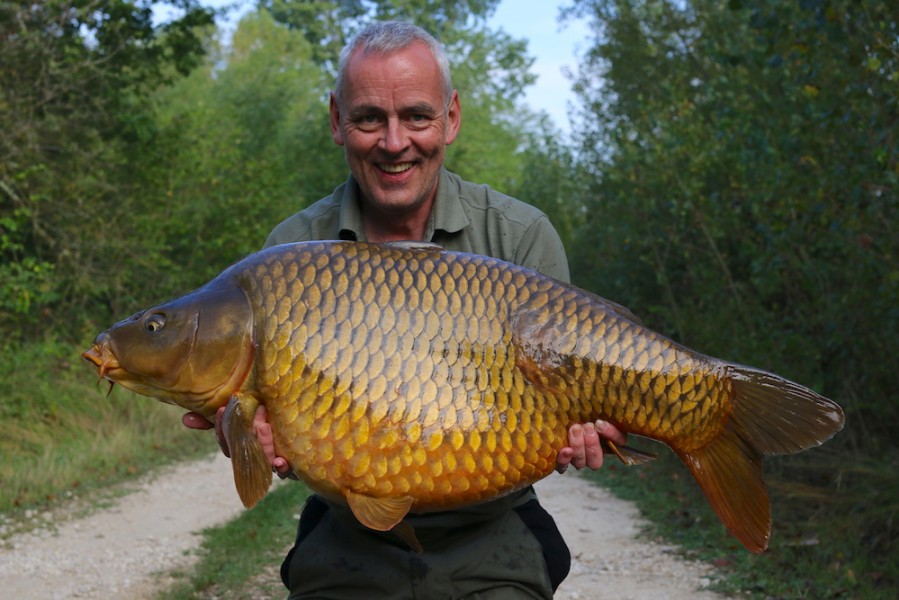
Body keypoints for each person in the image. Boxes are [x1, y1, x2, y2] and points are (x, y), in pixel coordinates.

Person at [182, 21, 627, 599]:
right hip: (347, 537)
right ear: (338, 121)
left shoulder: (520, 236)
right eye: (370, 118)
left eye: (416, 115)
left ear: (452, 118)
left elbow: (569, 396)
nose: (395, 142)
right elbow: (262, 421)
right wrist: (247, 434)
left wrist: (593, 425)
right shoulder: (290, 252)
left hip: (491, 527)